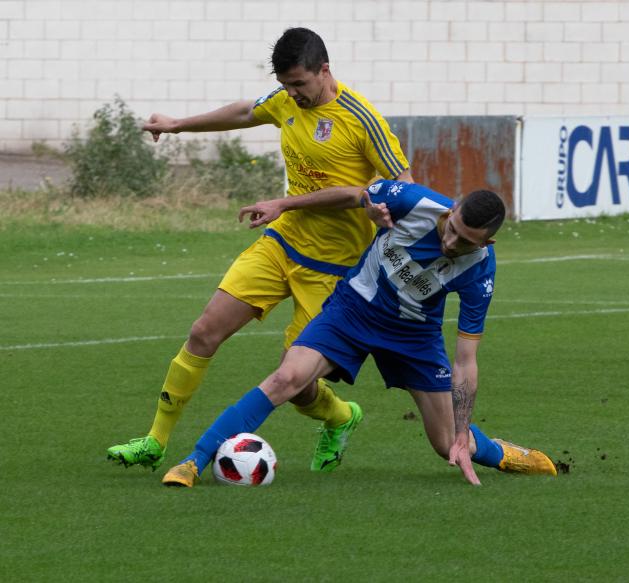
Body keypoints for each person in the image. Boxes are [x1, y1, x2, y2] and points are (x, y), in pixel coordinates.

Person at [107, 27, 413, 473]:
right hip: (283, 242)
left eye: (299, 84)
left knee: (299, 387)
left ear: (324, 70)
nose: (291, 94)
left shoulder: (361, 119)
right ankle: (155, 441)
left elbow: (398, 188)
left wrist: (294, 202)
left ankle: (342, 416)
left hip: (335, 271)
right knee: (203, 332)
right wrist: (176, 125)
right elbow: (247, 111)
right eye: (285, 84)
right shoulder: (287, 99)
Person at [161, 180, 558, 487]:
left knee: (445, 445)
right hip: (352, 310)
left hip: (414, 336)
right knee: (288, 377)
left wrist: (461, 429)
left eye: (465, 241)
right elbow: (353, 195)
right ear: (452, 208)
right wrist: (291, 204)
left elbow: (466, 360)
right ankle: (195, 460)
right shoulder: (412, 201)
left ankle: (506, 454)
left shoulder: (479, 270)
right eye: (451, 228)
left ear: (487, 242)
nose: (450, 242)